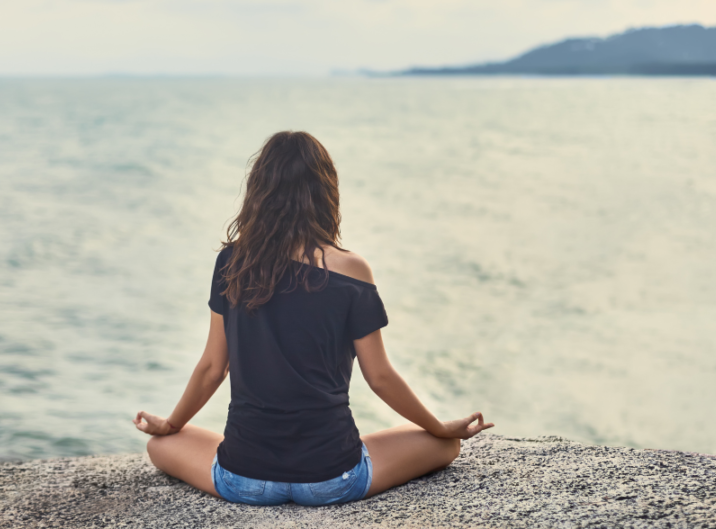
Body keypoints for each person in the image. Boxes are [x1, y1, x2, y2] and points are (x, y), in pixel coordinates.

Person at [133, 131, 493, 506]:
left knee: (161, 445)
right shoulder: (352, 271)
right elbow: (380, 377)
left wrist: (172, 424)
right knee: (447, 445)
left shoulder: (232, 263)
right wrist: (438, 426)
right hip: (333, 478)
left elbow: (212, 367)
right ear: (326, 192)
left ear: (259, 190)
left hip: (243, 479)